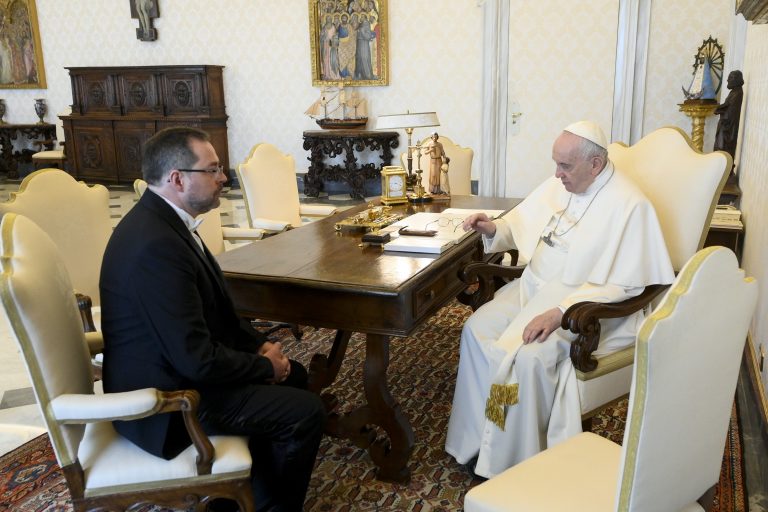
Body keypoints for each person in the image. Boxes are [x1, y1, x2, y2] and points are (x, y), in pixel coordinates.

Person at [100, 127, 326, 512]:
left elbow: (217, 314)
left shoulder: (167, 223)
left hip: (181, 371)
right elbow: (196, 359)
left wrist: (259, 345)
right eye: (212, 169)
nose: (223, 178)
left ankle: (245, 495)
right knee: (305, 412)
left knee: (296, 375)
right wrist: (262, 366)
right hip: (167, 402)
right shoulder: (155, 245)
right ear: (177, 179)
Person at [445, 121, 674, 478]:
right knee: (475, 331)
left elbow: (626, 285)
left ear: (595, 164)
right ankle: (476, 438)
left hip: (583, 306)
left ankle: (508, 460)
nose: (556, 174)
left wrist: (561, 312)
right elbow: (521, 223)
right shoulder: (563, 183)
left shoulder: (630, 205)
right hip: (531, 289)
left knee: (525, 358)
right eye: (556, 163)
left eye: (565, 166)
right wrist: (494, 228)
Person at [714, 70, 744, 163]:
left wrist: (719, 109)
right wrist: (719, 108)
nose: (727, 80)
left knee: (722, 149)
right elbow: (728, 105)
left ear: (736, 80)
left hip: (728, 128)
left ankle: (725, 167)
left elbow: (730, 111)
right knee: (719, 148)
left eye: (730, 78)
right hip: (725, 125)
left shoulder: (738, 93)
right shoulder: (734, 92)